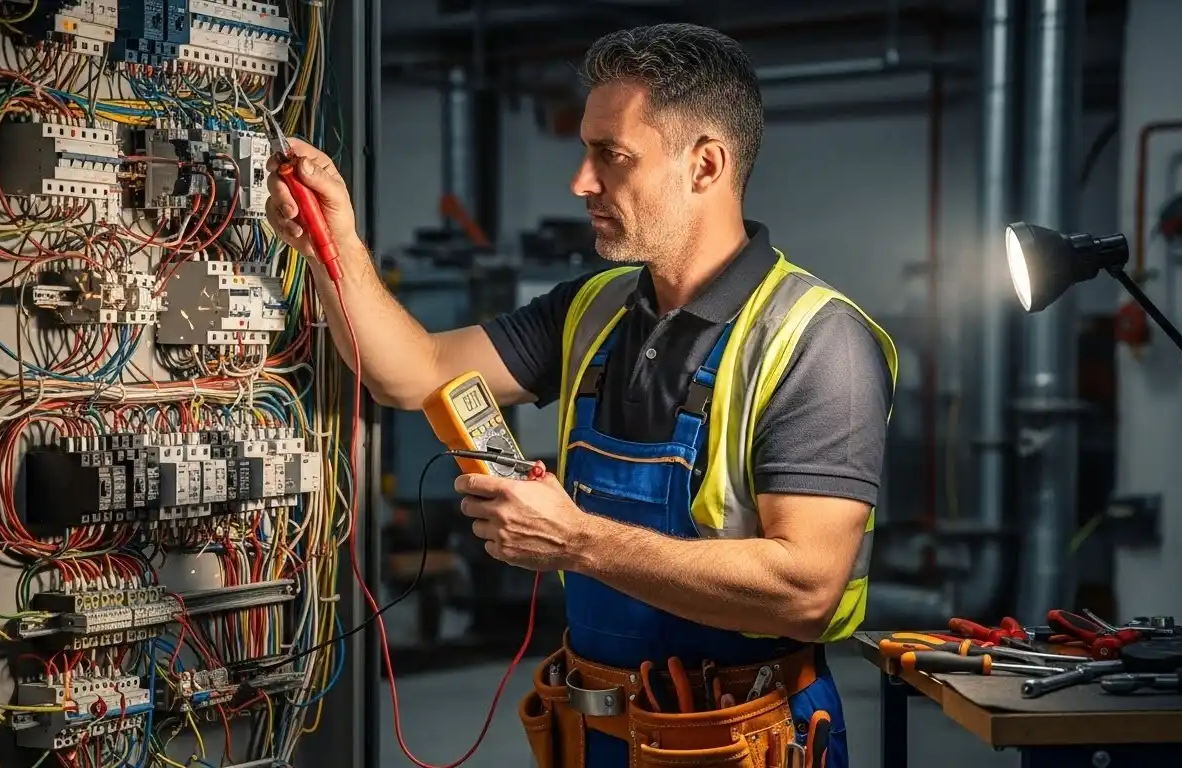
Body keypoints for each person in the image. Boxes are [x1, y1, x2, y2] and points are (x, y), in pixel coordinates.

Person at [266, 22, 896, 768]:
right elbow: (413, 370)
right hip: (594, 730)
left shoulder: (818, 342)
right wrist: (334, 245)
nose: (582, 181)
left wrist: (578, 541)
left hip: (742, 736)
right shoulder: (591, 308)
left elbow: (806, 589)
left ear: (704, 165)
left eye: (611, 156)